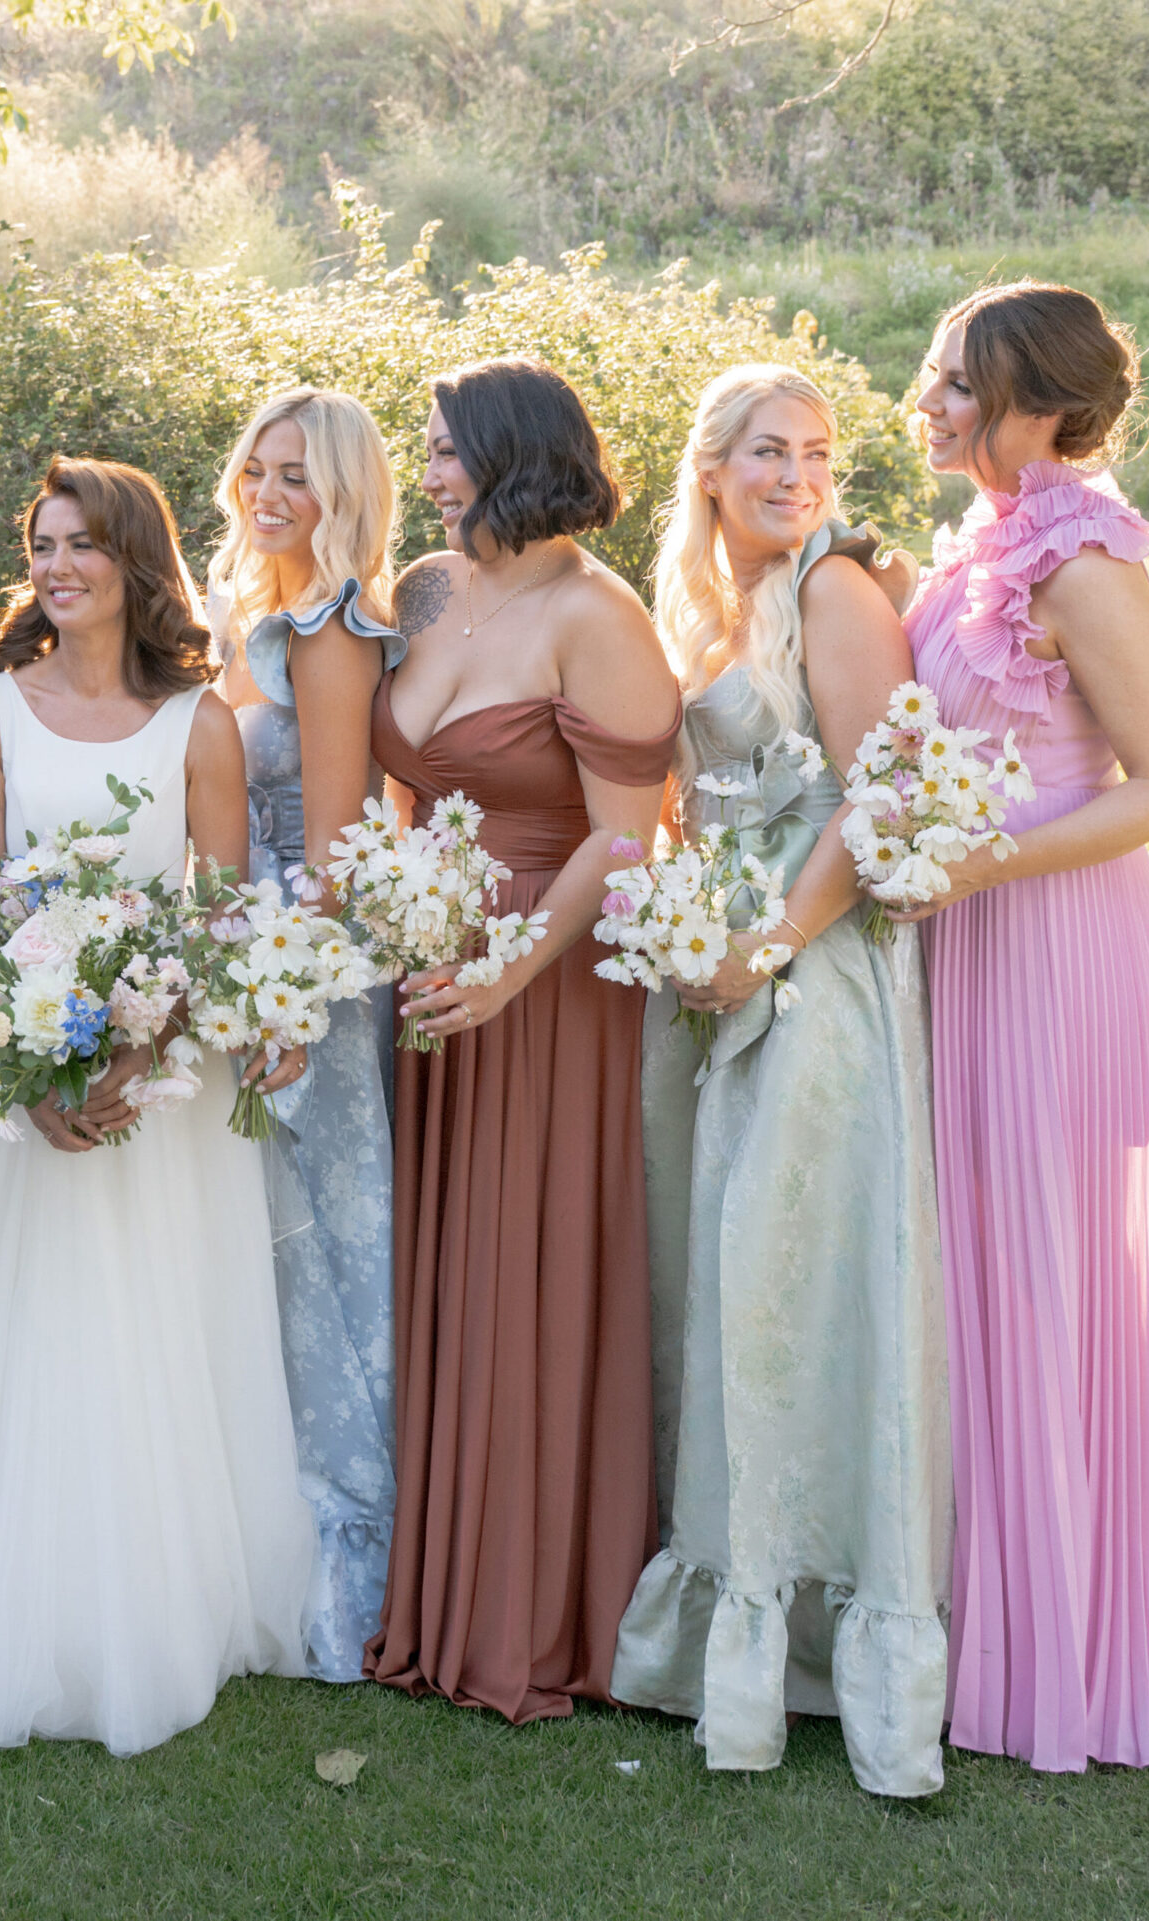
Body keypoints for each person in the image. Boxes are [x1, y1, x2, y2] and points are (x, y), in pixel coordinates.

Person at [898, 282, 1149, 1771]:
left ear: (1043, 410)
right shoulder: (985, 543)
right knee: (991, 1271)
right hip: (975, 945)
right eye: (935, 376)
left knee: (1064, 1278)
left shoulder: (1080, 555)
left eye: (960, 385)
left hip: (1062, 951)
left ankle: (1095, 1637)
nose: (929, 404)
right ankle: (994, 1608)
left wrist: (977, 859)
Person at [0, 457, 314, 1755]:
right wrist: (37, 1073)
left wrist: (138, 1044)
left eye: (83, 545)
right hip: (23, 1085)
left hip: (156, 1094)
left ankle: (161, 1614)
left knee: (151, 1340)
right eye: (43, 544)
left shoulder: (203, 724)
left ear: (135, 562)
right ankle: (17, 1632)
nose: (57, 566)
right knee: (31, 1342)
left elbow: (219, 915)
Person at [605, 365, 950, 1797]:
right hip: (711, 976)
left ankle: (830, 1645)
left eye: (815, 452)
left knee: (798, 1277)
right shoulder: (692, 603)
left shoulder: (839, 595)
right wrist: (694, 935)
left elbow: (885, 799)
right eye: (766, 450)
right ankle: (732, 1625)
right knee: (722, 1289)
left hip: (817, 977)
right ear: (709, 467)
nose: (796, 473)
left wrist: (765, 946)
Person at [365, 359, 679, 1723]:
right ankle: (432, 1583)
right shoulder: (438, 592)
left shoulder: (595, 617)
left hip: (547, 983)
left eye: (444, 454)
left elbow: (628, 835)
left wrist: (502, 973)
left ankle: (532, 1605)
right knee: (442, 1262)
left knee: (526, 1261)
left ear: (514, 458)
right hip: (433, 965)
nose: (426, 476)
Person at [205, 387, 403, 1683]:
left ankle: (345, 1566)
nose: (271, 494)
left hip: (307, 979)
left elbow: (330, 850)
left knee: (323, 1251)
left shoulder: (332, 634)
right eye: (258, 469)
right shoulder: (236, 616)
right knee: (246, 1254)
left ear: (345, 498)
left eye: (301, 477)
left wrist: (282, 997)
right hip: (230, 959)